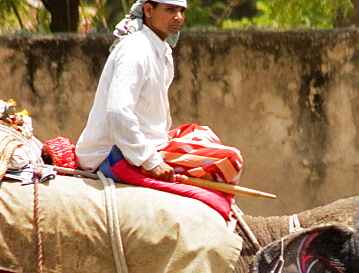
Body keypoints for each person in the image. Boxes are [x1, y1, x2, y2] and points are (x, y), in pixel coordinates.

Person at [75, 0, 243, 186]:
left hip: (147, 142)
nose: (178, 17)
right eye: (170, 10)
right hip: (113, 152)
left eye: (181, 11)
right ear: (148, 10)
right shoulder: (135, 49)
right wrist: (150, 161)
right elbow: (117, 111)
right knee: (231, 159)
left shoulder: (158, 48)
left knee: (202, 133)